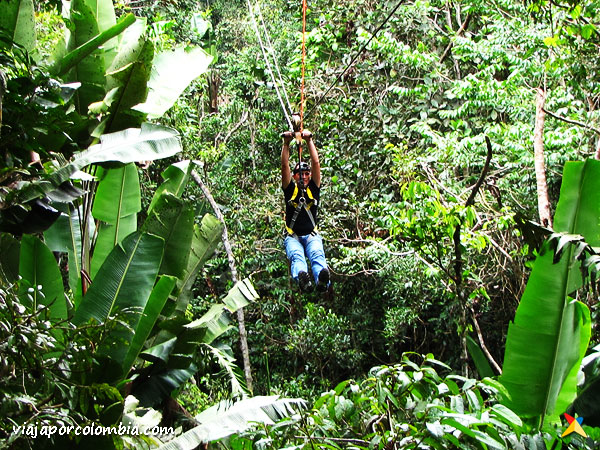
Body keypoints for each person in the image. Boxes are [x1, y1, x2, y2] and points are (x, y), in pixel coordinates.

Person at [281, 128, 330, 292]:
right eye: (300, 174)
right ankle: (303, 279)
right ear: (294, 177)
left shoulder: (314, 189)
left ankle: (322, 279)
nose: (304, 177)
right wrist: (286, 144)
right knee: (297, 258)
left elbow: (316, 164)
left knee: (317, 255)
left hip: (311, 236)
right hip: (293, 236)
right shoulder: (290, 190)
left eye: (307, 174)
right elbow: (284, 165)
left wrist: (309, 141)